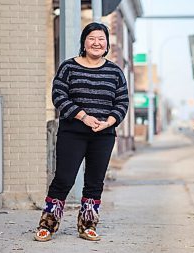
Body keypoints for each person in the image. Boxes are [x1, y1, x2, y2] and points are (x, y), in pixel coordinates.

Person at [34, 22, 129, 242]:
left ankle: (88, 225)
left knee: (95, 182)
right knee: (64, 179)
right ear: (84, 42)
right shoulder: (69, 67)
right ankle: (47, 225)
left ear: (106, 44)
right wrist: (83, 116)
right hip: (73, 131)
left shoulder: (115, 71)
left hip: (104, 134)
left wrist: (109, 122)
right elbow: (59, 96)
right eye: (92, 38)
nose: (97, 42)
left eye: (101, 39)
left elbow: (122, 102)